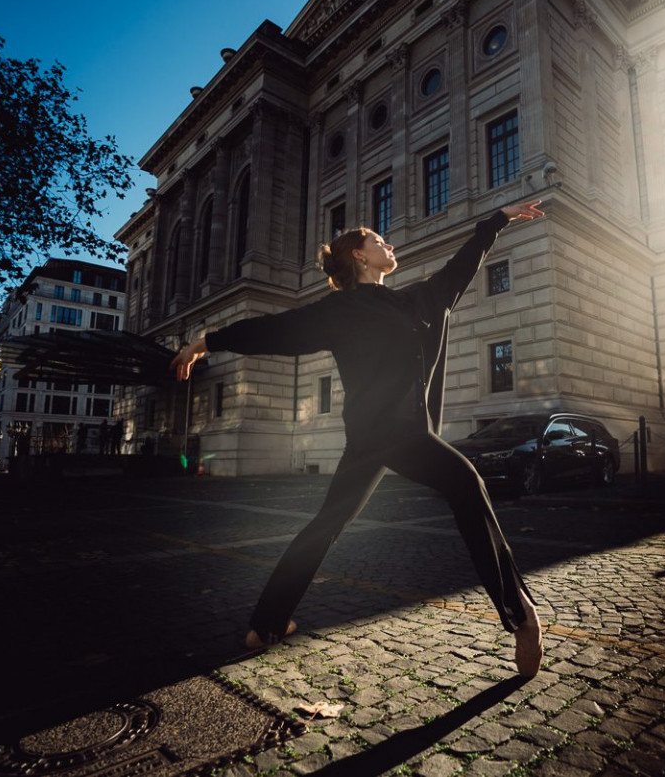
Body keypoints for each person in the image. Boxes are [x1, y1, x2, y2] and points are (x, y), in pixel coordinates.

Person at [171, 201, 547, 676]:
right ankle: (519, 614)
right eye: (377, 240)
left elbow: (461, 266)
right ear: (359, 258)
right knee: (466, 483)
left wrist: (498, 219)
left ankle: (266, 625)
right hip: (389, 433)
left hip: (377, 437)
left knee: (326, 523)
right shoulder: (340, 310)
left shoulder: (415, 301)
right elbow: (275, 330)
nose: (388, 243)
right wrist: (206, 342)